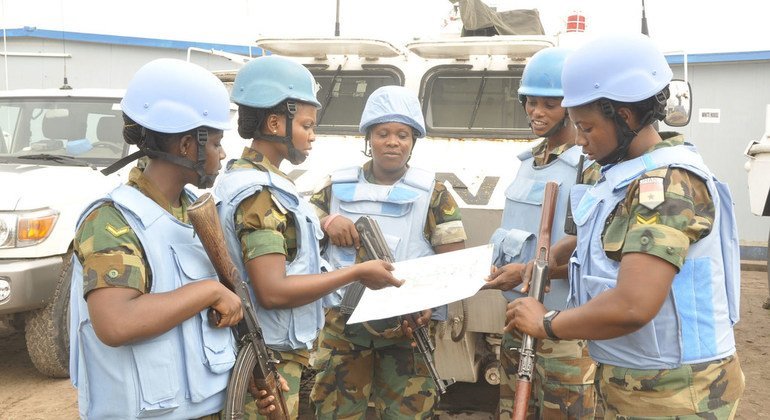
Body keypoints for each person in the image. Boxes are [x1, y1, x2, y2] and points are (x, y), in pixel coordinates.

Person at [505, 34, 745, 418]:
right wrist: (536, 269)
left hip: (675, 392)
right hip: (640, 380)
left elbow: (634, 304)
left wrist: (547, 323)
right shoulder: (622, 175)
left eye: (586, 127)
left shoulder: (666, 186)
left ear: (625, 116)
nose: (580, 140)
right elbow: (598, 250)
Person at [214, 55, 403, 418]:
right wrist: (357, 274)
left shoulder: (247, 180)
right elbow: (272, 291)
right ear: (274, 123)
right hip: (268, 358)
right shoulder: (260, 194)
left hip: (267, 351)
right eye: (306, 125)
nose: (312, 135)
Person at [68, 58, 242, 419]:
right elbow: (116, 323)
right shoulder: (112, 220)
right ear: (185, 145)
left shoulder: (196, 210)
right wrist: (209, 291)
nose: (222, 154)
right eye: (215, 142)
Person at [308, 85, 467, 419]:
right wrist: (327, 221)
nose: (393, 142)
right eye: (383, 133)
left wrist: (429, 305)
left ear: (413, 141)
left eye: (403, 134)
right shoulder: (335, 186)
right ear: (369, 138)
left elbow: (453, 260)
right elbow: (299, 221)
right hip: (343, 327)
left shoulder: (434, 193)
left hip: (406, 328)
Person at [483, 46, 597, 419]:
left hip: (564, 330)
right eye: (531, 102)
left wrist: (532, 271)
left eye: (550, 104)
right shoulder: (526, 164)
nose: (537, 112)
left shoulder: (589, 166)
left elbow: (593, 254)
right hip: (517, 322)